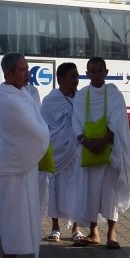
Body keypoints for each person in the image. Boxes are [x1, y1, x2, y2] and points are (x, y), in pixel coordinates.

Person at [0, 52, 50, 258]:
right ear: (8, 74)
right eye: (22, 70)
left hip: (18, 166)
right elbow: (35, 132)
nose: (27, 74)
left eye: (27, 68)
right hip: (12, 167)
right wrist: (45, 136)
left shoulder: (19, 93)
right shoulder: (10, 99)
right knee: (13, 217)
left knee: (17, 216)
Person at [71, 57, 130, 249]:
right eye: (92, 71)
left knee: (110, 193)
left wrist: (103, 141)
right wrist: (84, 140)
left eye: (100, 71)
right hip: (88, 150)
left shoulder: (114, 94)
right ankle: (93, 232)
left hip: (110, 152)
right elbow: (76, 122)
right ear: (87, 73)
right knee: (91, 192)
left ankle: (111, 235)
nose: (96, 75)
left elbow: (120, 123)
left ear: (106, 72)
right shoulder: (81, 95)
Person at [40, 62, 84, 243]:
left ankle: (76, 228)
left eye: (77, 76)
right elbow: (43, 126)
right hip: (56, 150)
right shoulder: (50, 100)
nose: (76, 80)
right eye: (72, 76)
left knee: (76, 188)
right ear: (61, 79)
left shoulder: (81, 98)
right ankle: (55, 228)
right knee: (55, 189)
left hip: (76, 151)